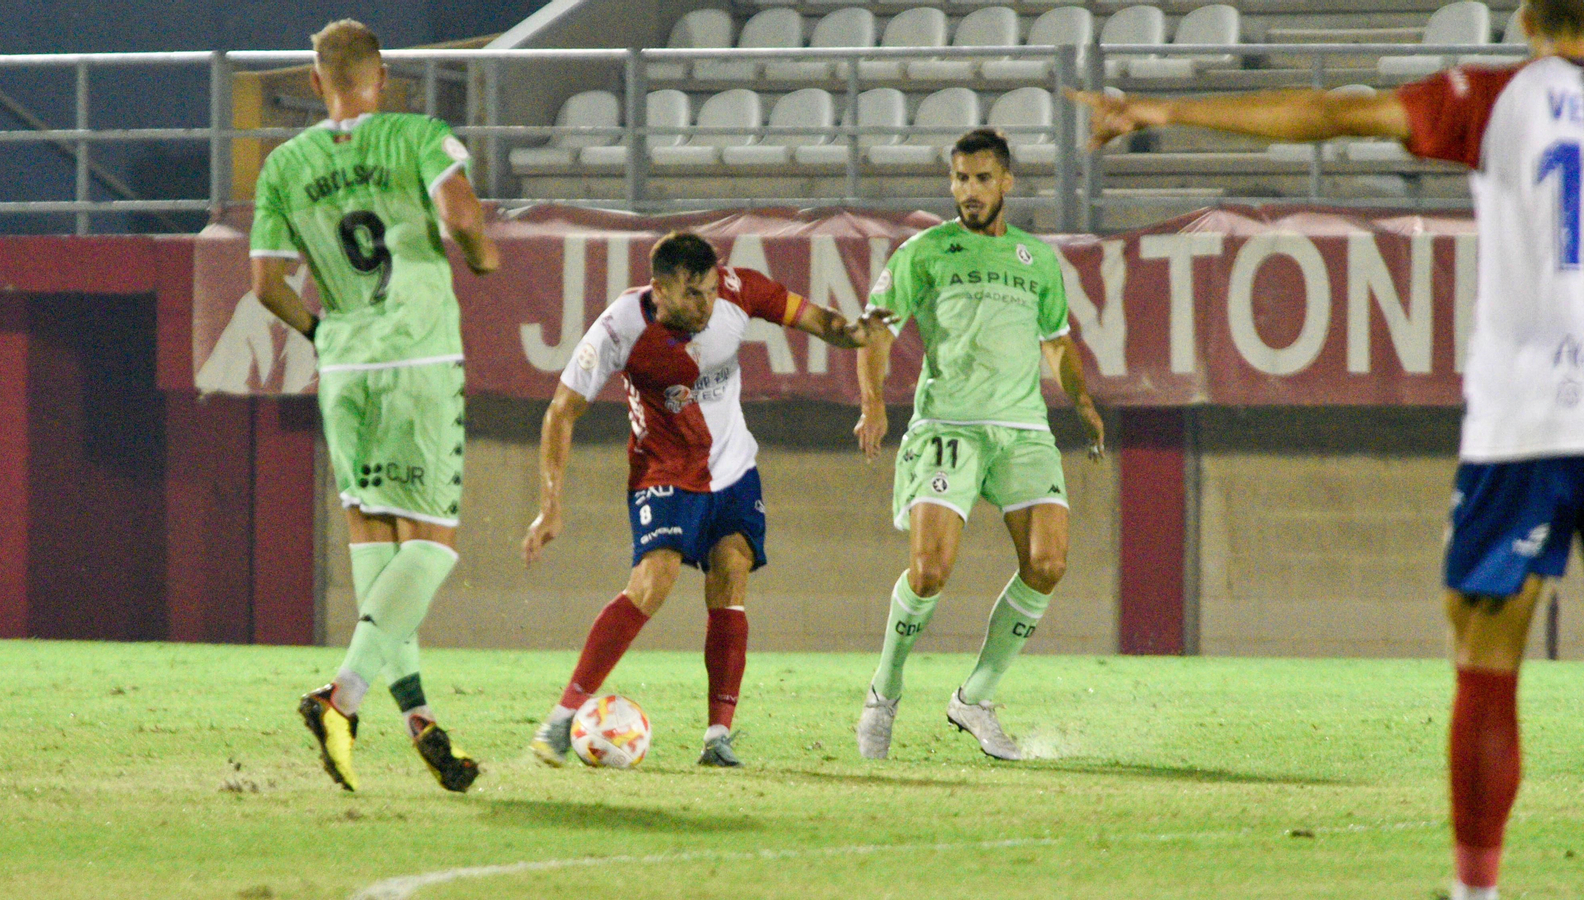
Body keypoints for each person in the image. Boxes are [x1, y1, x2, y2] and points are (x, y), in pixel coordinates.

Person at [1071, 2, 1584, 895]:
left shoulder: (1499, 97)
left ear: (1531, 17)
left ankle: (1477, 887)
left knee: (1487, 639)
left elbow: (1334, 114)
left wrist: (1161, 111)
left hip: (1535, 416)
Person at [523, 232, 884, 768]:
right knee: (654, 579)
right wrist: (550, 502)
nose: (706, 304)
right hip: (665, 469)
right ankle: (560, 719)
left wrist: (861, 333)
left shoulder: (738, 290)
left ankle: (718, 737)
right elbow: (561, 411)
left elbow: (819, 321)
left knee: (732, 571)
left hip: (734, 469)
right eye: (693, 294)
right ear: (660, 289)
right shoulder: (620, 327)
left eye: (711, 290)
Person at [249, 19, 499, 793]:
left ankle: (419, 718)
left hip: (346, 366)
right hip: (417, 358)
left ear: (316, 81)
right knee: (434, 543)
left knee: (379, 550)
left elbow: (265, 284)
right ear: (380, 76)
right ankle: (342, 697)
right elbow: (460, 214)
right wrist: (484, 257)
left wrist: (323, 332)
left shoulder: (284, 165)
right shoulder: (417, 135)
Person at [854, 128, 1106, 762]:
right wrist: (873, 403)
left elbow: (1055, 340)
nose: (970, 191)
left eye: (982, 179)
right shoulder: (925, 252)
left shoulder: (1037, 259)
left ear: (1007, 183)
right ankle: (884, 692)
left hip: (1023, 430)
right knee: (930, 571)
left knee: (1049, 563)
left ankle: (976, 697)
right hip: (949, 428)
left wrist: (1081, 401)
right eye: (960, 179)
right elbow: (876, 330)